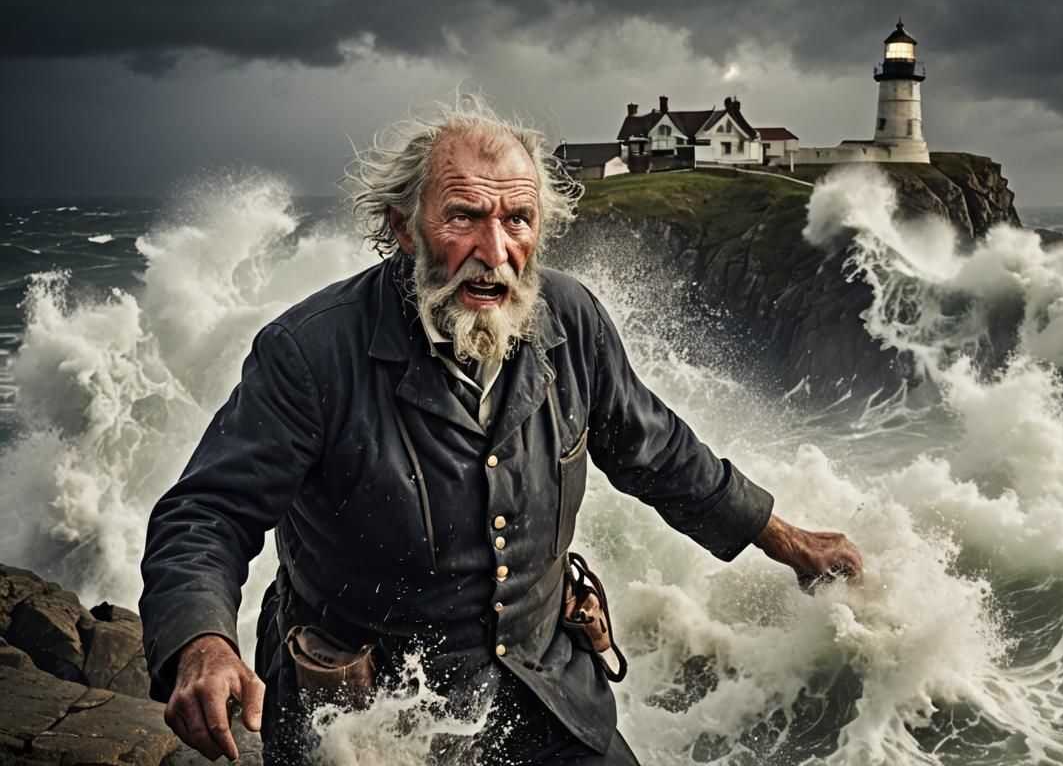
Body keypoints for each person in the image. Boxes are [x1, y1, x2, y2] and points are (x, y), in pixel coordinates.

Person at [139, 97, 863, 765]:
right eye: (463, 216)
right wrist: (203, 642)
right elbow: (208, 513)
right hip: (371, 718)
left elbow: (660, 453)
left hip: (543, 689)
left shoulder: (568, 322)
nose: (495, 249)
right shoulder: (312, 353)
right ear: (402, 226)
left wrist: (789, 542)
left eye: (517, 220)